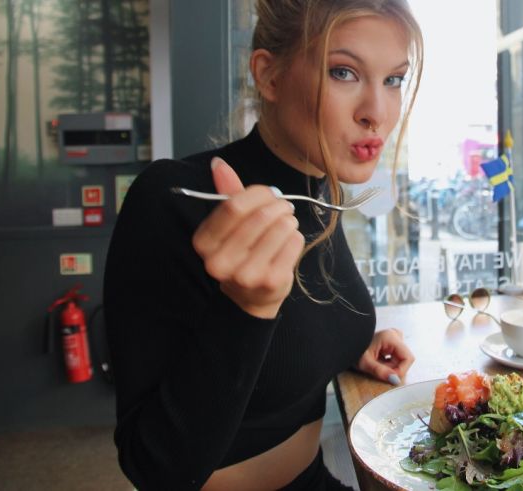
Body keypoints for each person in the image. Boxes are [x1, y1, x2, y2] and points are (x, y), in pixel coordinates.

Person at [103, 1, 423, 489]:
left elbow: (288, 344)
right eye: (344, 72)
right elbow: (152, 467)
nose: (377, 114)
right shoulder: (175, 198)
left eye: (394, 80)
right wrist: (245, 308)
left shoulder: (320, 191)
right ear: (269, 76)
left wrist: (349, 346)